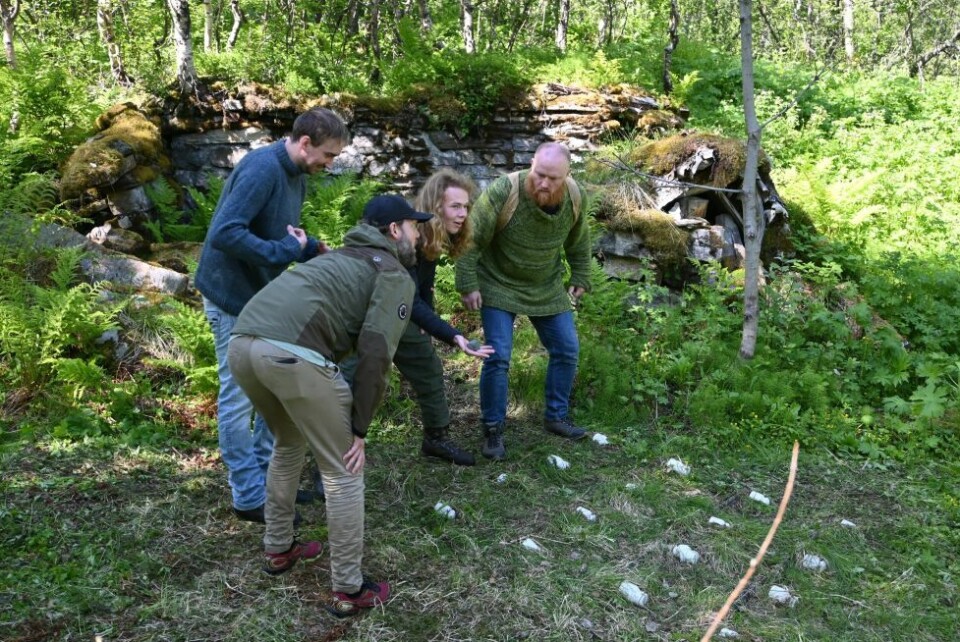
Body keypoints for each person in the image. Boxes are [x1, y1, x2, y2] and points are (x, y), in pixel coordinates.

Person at [227, 194, 430, 616]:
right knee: (343, 470)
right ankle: (349, 590)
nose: (419, 234)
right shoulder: (392, 271)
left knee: (288, 443)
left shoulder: (337, 258)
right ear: (394, 230)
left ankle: (279, 549)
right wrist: (359, 428)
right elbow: (376, 353)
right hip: (291, 356)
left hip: (243, 345)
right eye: (414, 226)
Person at [194, 108, 349, 523]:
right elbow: (225, 233)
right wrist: (286, 252)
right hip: (229, 296)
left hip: (260, 299)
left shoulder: (297, 173)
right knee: (237, 397)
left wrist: (311, 245)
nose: (330, 165)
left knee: (272, 391)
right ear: (304, 143)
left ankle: (268, 483)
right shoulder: (263, 169)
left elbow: (281, 229)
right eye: (329, 155)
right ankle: (248, 497)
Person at [455, 142, 591, 461]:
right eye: (539, 174)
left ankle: (556, 416)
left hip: (545, 285)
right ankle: (492, 429)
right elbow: (471, 238)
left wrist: (582, 274)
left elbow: (578, 239)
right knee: (498, 355)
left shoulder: (574, 196)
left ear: (567, 176)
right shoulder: (506, 191)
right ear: (531, 165)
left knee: (567, 349)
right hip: (498, 283)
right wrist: (467, 283)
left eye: (553, 179)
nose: (544, 183)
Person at [404, 169, 494, 465]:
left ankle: (436, 440)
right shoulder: (408, 237)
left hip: (404, 314)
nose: (463, 214)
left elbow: (422, 289)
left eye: (466, 207)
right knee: (355, 386)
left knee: (428, 368)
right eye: (456, 206)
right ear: (435, 206)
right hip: (370, 320)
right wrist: (453, 335)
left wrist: (425, 325)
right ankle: (336, 456)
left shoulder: (431, 237)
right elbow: (409, 298)